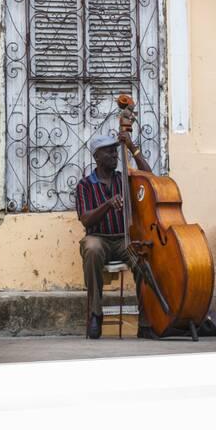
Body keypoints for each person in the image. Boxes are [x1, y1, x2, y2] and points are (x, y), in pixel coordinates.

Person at [75, 132, 152, 339]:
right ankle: (95, 313)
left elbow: (149, 177)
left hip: (122, 240)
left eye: (115, 150)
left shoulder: (123, 179)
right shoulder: (85, 185)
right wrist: (107, 205)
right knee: (91, 248)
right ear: (97, 157)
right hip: (98, 238)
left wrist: (132, 147)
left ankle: (147, 318)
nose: (114, 155)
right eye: (109, 151)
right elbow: (85, 219)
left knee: (143, 256)